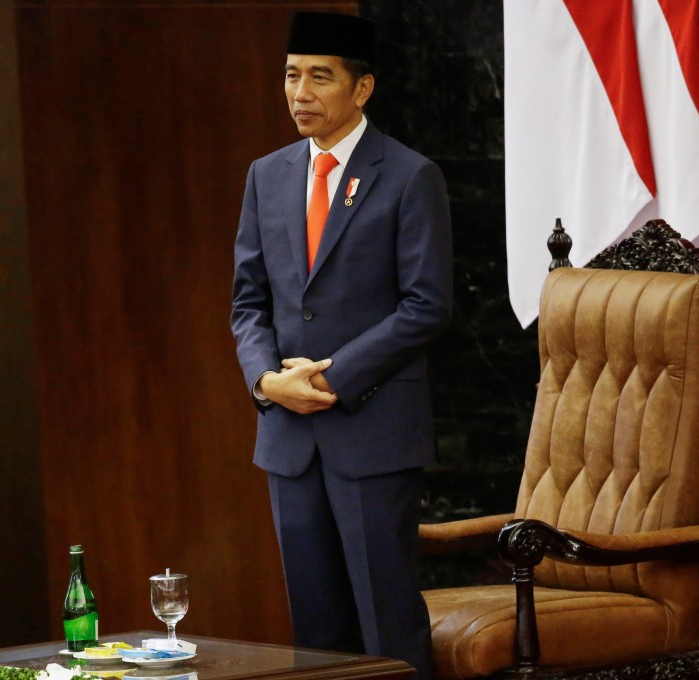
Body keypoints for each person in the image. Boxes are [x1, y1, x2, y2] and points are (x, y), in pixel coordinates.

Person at [230, 11, 452, 679]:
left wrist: (331, 376)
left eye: (320, 77)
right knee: (316, 633)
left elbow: (428, 306)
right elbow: (248, 303)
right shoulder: (266, 176)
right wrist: (267, 382)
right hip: (288, 438)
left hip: (372, 430)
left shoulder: (411, 176)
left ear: (362, 89)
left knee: (386, 623)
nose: (300, 92)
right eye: (292, 76)